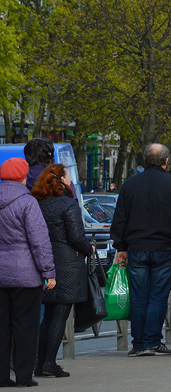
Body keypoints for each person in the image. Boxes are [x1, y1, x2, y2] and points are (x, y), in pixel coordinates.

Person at [110, 143, 171, 357]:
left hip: (137, 248)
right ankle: (153, 341)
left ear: (145, 161)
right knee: (157, 297)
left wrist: (121, 247)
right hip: (165, 248)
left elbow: (120, 218)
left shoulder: (130, 185)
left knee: (139, 296)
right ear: (166, 161)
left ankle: (138, 343)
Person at [32, 165, 93, 379]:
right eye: (68, 177)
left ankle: (40, 363)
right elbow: (76, 237)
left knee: (47, 316)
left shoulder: (37, 203)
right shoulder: (68, 204)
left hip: (44, 262)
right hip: (67, 264)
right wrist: (89, 249)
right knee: (60, 314)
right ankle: (49, 362)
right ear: (63, 181)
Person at [0, 157, 55, 388]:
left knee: (1, 327)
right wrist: (48, 271)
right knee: (26, 327)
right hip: (25, 275)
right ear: (23, 176)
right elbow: (39, 241)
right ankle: (23, 376)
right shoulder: (27, 202)